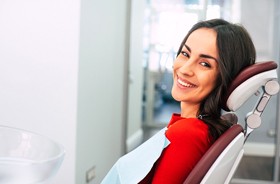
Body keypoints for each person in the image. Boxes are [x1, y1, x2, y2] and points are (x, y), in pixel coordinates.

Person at [102, 18, 256, 184]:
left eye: (204, 64)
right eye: (185, 54)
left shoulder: (187, 134)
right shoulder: (196, 127)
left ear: (226, 77)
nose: (184, 69)